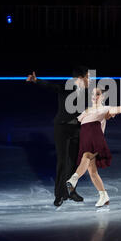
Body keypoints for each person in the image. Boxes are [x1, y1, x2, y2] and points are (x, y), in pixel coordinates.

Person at [66, 87, 121, 207]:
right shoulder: (87, 110)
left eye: (97, 94)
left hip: (96, 140)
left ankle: (74, 179)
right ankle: (104, 196)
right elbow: (75, 122)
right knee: (92, 172)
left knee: (86, 156)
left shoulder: (106, 109)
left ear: (102, 97)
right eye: (93, 94)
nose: (94, 96)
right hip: (85, 141)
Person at [26, 66, 97, 207]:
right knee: (62, 163)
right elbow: (52, 86)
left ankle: (71, 192)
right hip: (62, 128)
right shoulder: (67, 86)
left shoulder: (88, 91)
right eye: (88, 76)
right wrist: (36, 80)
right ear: (81, 77)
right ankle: (59, 195)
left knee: (73, 163)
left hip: (77, 129)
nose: (91, 79)